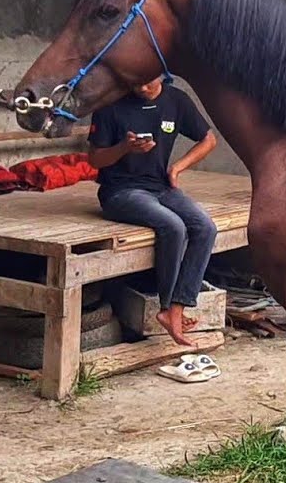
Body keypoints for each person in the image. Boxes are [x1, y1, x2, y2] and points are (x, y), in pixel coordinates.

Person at [86, 76, 219, 346]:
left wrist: (177, 168)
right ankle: (167, 306)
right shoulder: (110, 105)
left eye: (148, 82)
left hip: (161, 186)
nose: (142, 88)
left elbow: (209, 140)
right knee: (173, 226)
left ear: (162, 74)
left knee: (205, 227)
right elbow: (94, 158)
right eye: (136, 84)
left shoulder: (176, 100)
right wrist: (124, 148)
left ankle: (178, 308)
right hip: (120, 192)